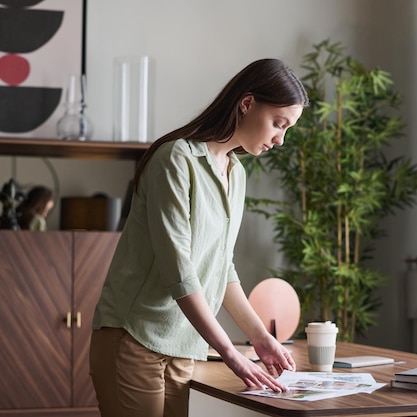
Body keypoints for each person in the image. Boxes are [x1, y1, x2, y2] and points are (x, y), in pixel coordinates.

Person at [89, 58, 309, 417]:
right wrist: (231, 354)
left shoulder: (235, 173)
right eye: (278, 124)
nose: (280, 140)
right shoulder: (177, 159)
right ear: (247, 103)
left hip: (184, 345)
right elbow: (180, 271)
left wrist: (259, 338)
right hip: (134, 338)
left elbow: (222, 268)